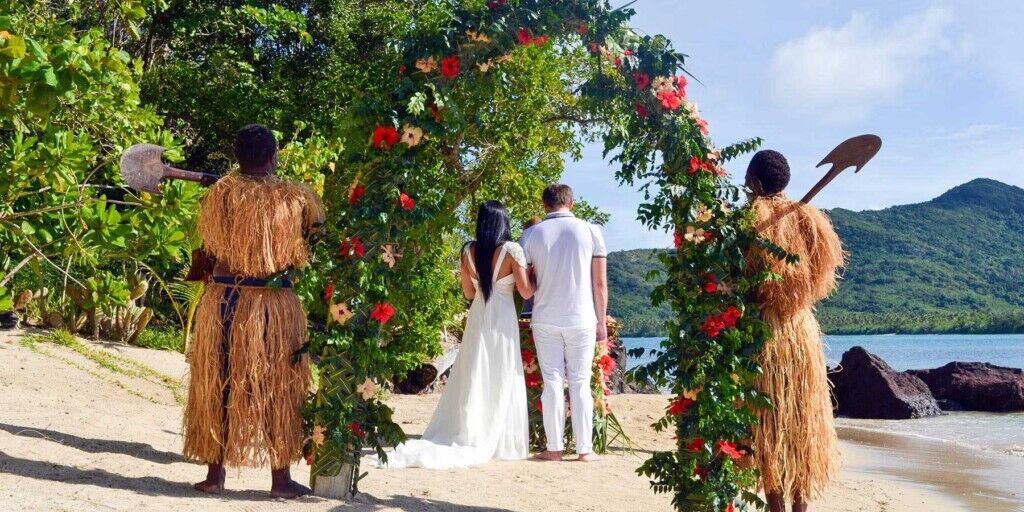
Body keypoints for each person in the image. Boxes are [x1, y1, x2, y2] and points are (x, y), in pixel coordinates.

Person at [183, 124, 323, 498]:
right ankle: (280, 480)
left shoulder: (220, 194)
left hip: (225, 300)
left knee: (220, 382)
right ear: (274, 156)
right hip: (273, 305)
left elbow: (209, 249)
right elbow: (316, 237)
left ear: (238, 157)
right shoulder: (297, 198)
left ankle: (215, 476)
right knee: (278, 386)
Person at [380, 200, 533, 469]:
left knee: (474, 371)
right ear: (503, 221)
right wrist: (534, 275)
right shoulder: (512, 250)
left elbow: (468, 293)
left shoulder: (468, 251)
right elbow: (526, 292)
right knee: (502, 370)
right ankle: (500, 438)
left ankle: (470, 427)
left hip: (478, 315)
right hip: (502, 317)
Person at [744, 150, 844, 512]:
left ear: (753, 181)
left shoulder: (749, 222)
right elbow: (820, 282)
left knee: (769, 425)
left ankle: (777, 507)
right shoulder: (810, 220)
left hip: (766, 335)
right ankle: (800, 507)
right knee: (801, 424)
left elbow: (741, 282)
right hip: (801, 332)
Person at [520, 184, 608, 462]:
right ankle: (585, 450)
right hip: (582, 317)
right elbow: (599, 282)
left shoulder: (530, 235)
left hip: (545, 317)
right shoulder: (591, 230)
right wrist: (601, 320)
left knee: (552, 382)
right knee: (581, 382)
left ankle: (554, 448)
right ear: (571, 201)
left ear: (545, 204)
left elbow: (526, 284)